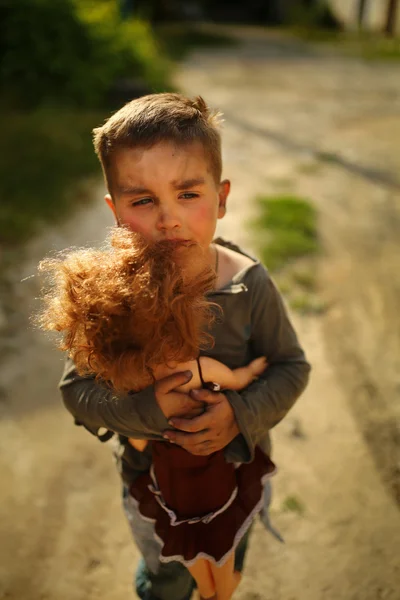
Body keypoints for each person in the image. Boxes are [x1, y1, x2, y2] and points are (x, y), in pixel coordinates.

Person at [57, 93, 311, 600]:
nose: (168, 218)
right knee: (169, 576)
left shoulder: (248, 285)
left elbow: (290, 367)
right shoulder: (112, 294)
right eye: (143, 200)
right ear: (115, 210)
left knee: (226, 560)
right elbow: (77, 392)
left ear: (221, 197)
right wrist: (149, 411)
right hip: (152, 480)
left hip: (236, 469)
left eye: (188, 195)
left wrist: (238, 413)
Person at [38, 227, 275, 600]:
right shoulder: (192, 369)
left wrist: (151, 420)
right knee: (221, 551)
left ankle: (209, 589)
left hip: (174, 495)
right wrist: (253, 371)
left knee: (185, 551)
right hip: (215, 479)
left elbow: (137, 438)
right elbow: (234, 378)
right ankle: (220, 592)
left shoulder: (132, 389)